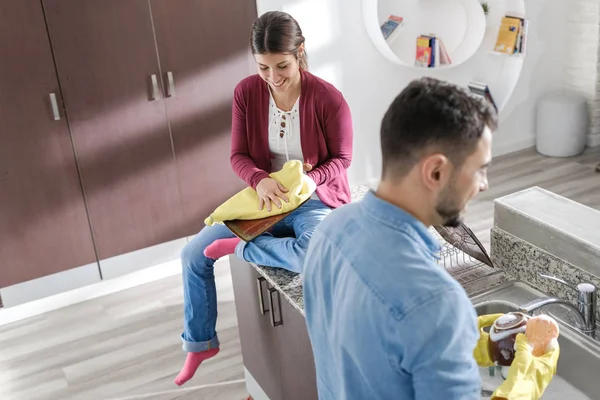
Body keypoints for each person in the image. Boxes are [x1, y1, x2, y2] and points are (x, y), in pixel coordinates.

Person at [302, 77, 559, 399]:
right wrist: (533, 366)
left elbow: (381, 353)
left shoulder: (330, 230)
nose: (484, 185)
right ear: (436, 172)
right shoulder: (435, 302)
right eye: (480, 169)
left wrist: (481, 343)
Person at [174, 11, 353, 386]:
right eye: (263, 67)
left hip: (313, 199)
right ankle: (200, 343)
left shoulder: (328, 99)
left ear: (300, 53)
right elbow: (238, 155)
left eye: (282, 66)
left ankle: (241, 249)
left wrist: (309, 179)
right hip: (265, 198)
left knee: (313, 254)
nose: (273, 77)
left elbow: (343, 159)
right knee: (191, 255)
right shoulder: (246, 92)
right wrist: (258, 180)